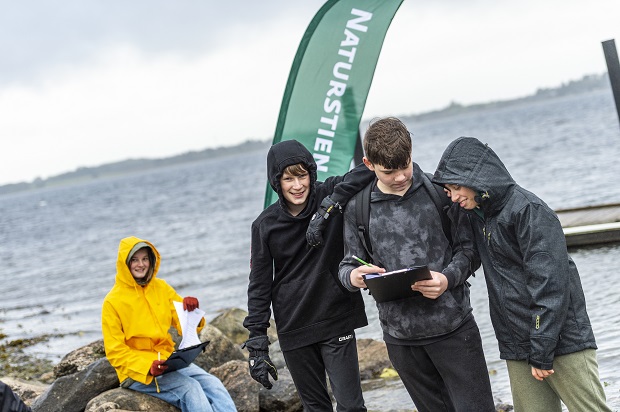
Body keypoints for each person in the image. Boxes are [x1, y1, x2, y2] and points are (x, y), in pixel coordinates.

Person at [432, 136, 611, 412]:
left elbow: (550, 285)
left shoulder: (529, 210)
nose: (454, 197)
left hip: (562, 340)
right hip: (516, 344)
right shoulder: (475, 215)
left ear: (478, 178)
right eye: (448, 190)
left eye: (456, 187)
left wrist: (542, 347)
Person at [337, 117, 496, 412]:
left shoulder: (442, 193)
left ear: (411, 153)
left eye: (405, 165)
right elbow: (346, 265)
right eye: (389, 171)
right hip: (401, 340)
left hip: (454, 329)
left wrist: (447, 279)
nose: (399, 176)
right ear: (368, 164)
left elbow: (470, 251)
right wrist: (355, 276)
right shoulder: (357, 208)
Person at [243, 139, 374, 411]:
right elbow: (259, 286)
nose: (297, 185)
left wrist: (327, 208)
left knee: (351, 407)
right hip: (294, 327)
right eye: (288, 178)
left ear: (311, 174)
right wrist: (257, 345)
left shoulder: (328, 192)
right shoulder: (264, 226)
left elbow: (368, 171)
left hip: (335, 317)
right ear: (276, 182)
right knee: (316, 409)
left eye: (302, 175)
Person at [102, 236, 237, 412]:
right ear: (124, 263)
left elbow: (185, 324)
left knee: (214, 384)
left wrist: (191, 309)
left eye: (144, 259)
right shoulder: (112, 302)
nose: (140, 264)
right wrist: (147, 368)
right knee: (191, 389)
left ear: (151, 261)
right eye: (134, 260)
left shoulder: (161, 288)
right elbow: (115, 352)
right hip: (137, 373)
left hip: (167, 361)